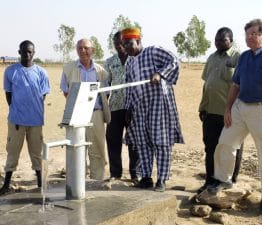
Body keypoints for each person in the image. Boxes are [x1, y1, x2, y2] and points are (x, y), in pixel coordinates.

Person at [207, 19, 262, 213]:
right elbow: (235, 85)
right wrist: (228, 109)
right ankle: (223, 180)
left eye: (255, 34)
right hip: (240, 108)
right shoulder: (245, 57)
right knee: (225, 142)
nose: (250, 37)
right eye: (247, 34)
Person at [121, 27, 184, 192]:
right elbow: (129, 88)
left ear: (139, 41)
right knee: (142, 143)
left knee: (161, 142)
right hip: (139, 107)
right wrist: (128, 108)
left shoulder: (153, 51)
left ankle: (162, 180)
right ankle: (146, 177)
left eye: (129, 43)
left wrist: (160, 74)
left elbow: (175, 61)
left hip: (158, 103)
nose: (126, 47)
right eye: (124, 44)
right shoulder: (130, 63)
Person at [0, 40, 50, 195]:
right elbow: (9, 96)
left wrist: (32, 111)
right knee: (13, 152)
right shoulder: (10, 71)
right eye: (24, 51)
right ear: (19, 52)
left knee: (37, 153)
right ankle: (6, 184)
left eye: (30, 52)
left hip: (35, 121)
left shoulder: (41, 72)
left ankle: (41, 184)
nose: (27, 54)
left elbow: (42, 96)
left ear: (34, 53)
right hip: (16, 121)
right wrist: (18, 112)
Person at [197, 27, 243, 194]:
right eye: (216, 40)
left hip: (230, 113)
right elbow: (207, 84)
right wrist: (202, 107)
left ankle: (230, 180)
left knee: (231, 147)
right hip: (210, 112)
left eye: (222, 40)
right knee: (210, 147)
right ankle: (210, 180)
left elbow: (241, 87)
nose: (218, 43)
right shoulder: (211, 57)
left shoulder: (239, 58)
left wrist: (235, 110)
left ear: (231, 40)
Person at [60, 38, 109, 180]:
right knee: (77, 148)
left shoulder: (101, 71)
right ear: (76, 50)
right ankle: (77, 182)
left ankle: (96, 181)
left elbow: (105, 93)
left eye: (86, 48)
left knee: (97, 149)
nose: (83, 51)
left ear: (92, 50)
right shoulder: (68, 69)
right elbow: (66, 91)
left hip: (96, 115)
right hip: (76, 116)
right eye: (80, 48)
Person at [105, 31, 140, 183]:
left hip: (134, 107)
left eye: (121, 42)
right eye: (115, 43)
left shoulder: (137, 59)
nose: (119, 45)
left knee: (134, 141)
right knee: (113, 140)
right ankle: (115, 173)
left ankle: (135, 174)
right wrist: (104, 107)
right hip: (115, 107)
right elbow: (106, 85)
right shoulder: (109, 62)